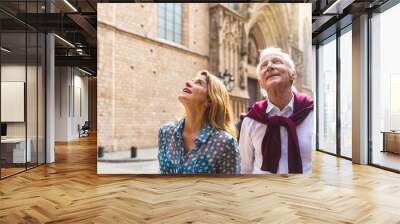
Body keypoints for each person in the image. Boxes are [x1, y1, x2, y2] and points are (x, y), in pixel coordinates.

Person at [239, 47, 314, 174]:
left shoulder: (311, 113)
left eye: (276, 61)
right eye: (263, 65)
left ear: (293, 74)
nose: (269, 66)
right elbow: (245, 167)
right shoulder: (251, 119)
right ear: (261, 83)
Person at [158, 70, 240, 174]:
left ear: (210, 100)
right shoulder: (165, 132)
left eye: (199, 83)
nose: (188, 83)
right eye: (192, 80)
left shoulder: (224, 142)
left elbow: (230, 188)